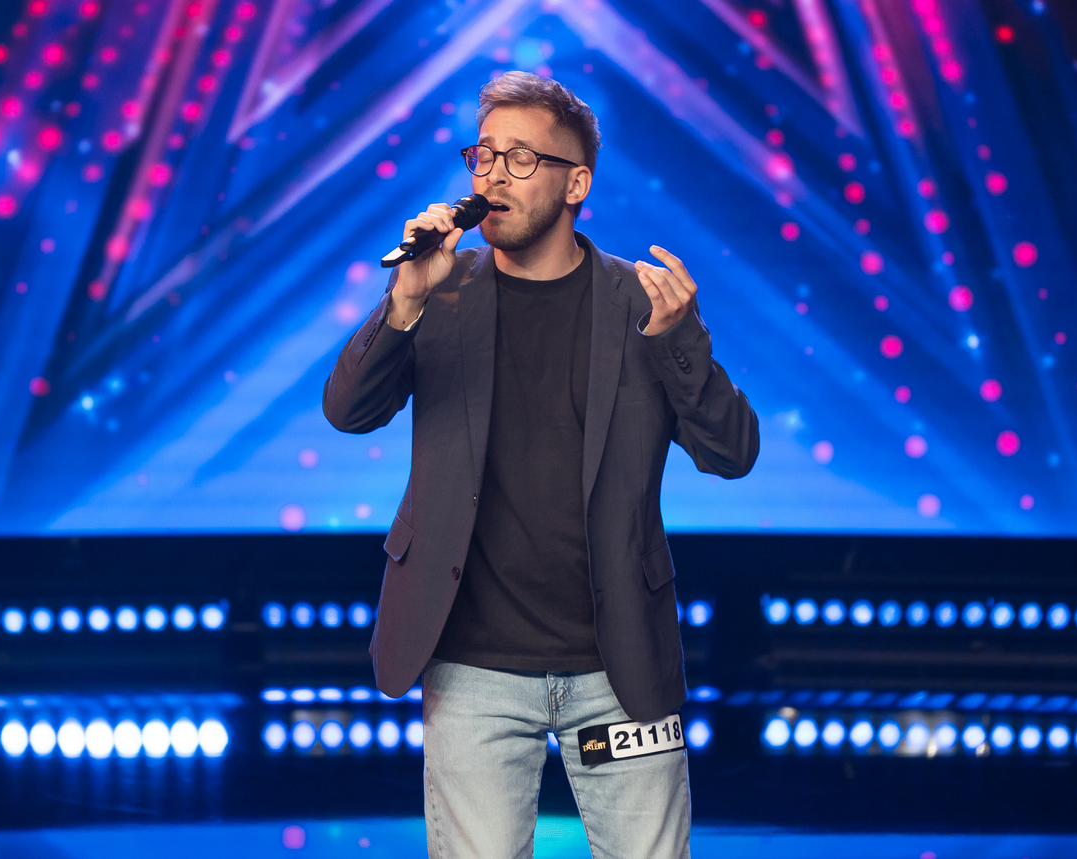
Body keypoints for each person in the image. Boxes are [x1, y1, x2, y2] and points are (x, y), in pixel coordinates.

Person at [323, 71, 759, 859]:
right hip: (471, 661)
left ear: (575, 184)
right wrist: (403, 302)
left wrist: (681, 340)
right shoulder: (441, 292)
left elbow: (733, 452)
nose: (493, 176)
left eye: (520, 158)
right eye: (483, 155)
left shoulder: (641, 304)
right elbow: (348, 411)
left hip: (618, 665)